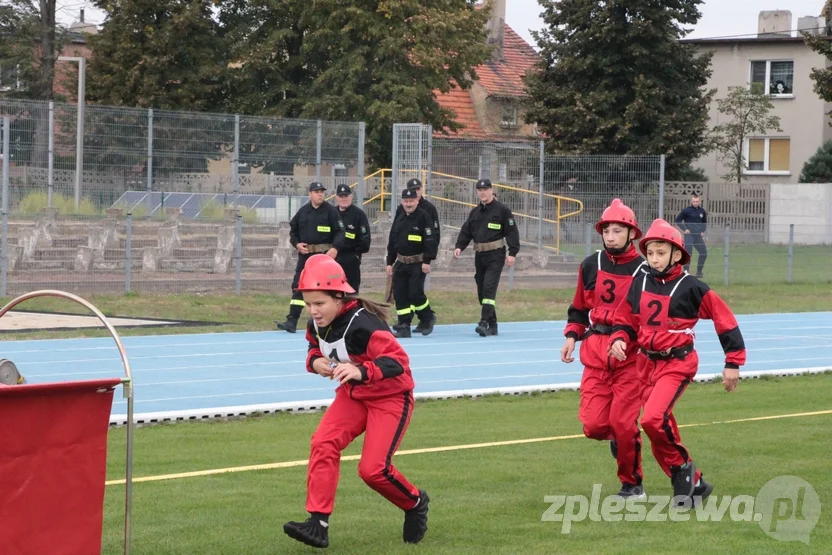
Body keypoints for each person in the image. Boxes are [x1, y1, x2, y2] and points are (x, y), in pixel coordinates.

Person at [283, 254, 429, 549]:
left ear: (339, 297)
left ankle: (414, 502)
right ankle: (318, 523)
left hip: (390, 397)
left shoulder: (365, 324)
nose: (313, 310)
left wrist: (362, 370)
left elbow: (399, 361)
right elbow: (314, 349)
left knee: (372, 471)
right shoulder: (317, 323)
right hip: (355, 396)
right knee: (322, 443)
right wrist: (316, 363)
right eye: (309, 304)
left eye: (319, 303)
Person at [608, 219, 746, 507]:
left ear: (677, 255)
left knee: (651, 419)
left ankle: (684, 470)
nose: (655, 259)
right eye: (651, 253)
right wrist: (619, 338)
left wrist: (733, 362)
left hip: (677, 364)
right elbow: (626, 319)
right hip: (645, 363)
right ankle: (692, 484)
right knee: (659, 425)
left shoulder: (692, 287)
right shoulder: (641, 281)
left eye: (661, 253)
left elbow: (725, 320)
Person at [560, 199, 649, 498]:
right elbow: (579, 307)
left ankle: (631, 483)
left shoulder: (645, 271)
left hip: (629, 358)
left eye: (617, 230)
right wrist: (572, 336)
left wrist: (629, 340)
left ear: (632, 234)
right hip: (596, 354)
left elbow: (647, 315)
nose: (610, 236)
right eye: (606, 230)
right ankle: (619, 440)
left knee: (624, 424)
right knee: (595, 426)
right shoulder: (590, 265)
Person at [453, 179, 520, 336]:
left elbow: (511, 232)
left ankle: (483, 322)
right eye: (480, 190)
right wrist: (459, 246)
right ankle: (493, 324)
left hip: (496, 254)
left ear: (492, 190)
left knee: (489, 287)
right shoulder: (475, 212)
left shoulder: (502, 210)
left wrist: (512, 253)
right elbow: (466, 231)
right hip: (480, 255)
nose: (483, 192)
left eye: (485, 189)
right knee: (482, 290)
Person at [276, 182, 346, 333]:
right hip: (306, 256)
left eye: (322, 191)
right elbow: (293, 231)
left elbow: (341, 232)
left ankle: (331, 321)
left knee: (327, 289)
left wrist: (335, 248)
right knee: (298, 286)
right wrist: (296, 244)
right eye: (316, 191)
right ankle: (292, 320)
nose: (320, 194)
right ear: (310, 194)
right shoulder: (303, 212)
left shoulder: (331, 212)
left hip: (324, 257)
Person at [386, 187, 437, 338]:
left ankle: (428, 317)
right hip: (401, 262)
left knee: (415, 293)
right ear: (402, 202)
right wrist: (390, 262)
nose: (408, 204)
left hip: (418, 262)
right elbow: (393, 240)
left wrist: (427, 261)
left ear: (417, 200)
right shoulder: (400, 216)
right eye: (406, 201)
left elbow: (430, 240)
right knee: (400, 295)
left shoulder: (423, 217)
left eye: (411, 201)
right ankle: (404, 325)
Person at [334, 184, 371, 292]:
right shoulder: (332, 213)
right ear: (336, 197)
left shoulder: (358, 215)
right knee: (334, 290)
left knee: (351, 292)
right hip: (334, 258)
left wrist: (355, 255)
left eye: (346, 196)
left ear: (351, 197)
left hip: (351, 259)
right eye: (341, 196)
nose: (343, 199)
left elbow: (365, 241)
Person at [395, 178, 440, 244]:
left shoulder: (429, 208)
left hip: (422, 251)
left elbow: (435, 232)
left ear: (422, 189)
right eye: (413, 189)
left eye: (418, 189)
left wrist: (432, 251)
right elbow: (395, 229)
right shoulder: (402, 208)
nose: (416, 192)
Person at [674, 194, 708, 277]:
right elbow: (678, 220)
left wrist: (702, 231)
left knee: (703, 253)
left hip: (698, 236)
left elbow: (704, 222)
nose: (695, 203)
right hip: (689, 235)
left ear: (699, 201)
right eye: (694, 201)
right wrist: (684, 229)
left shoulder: (702, 211)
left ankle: (699, 272)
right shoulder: (686, 210)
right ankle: (686, 273)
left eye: (697, 201)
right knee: (688, 254)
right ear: (691, 202)